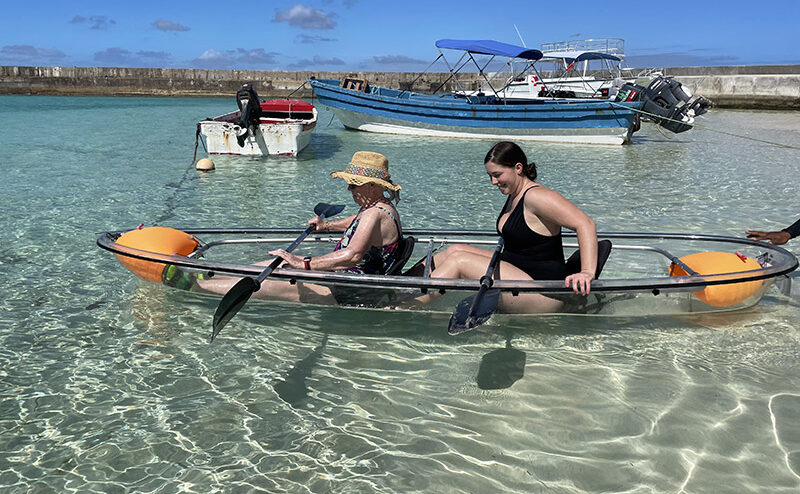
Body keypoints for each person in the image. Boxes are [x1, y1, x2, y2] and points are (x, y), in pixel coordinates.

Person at [407, 141, 597, 313]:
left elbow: (585, 224)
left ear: (518, 168)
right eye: (490, 176)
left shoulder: (536, 196)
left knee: (459, 261)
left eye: (497, 175)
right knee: (455, 250)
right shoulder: (515, 194)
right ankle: (400, 283)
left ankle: (404, 305)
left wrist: (587, 272)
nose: (493, 182)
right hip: (520, 272)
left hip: (544, 292)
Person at [193, 151, 403, 305]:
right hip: (344, 278)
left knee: (271, 281)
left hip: (350, 290)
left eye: (354, 184)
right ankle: (212, 277)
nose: (349, 188)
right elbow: (357, 223)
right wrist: (327, 225)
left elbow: (353, 255)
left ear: (373, 186)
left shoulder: (373, 213)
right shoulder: (381, 207)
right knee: (274, 264)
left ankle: (196, 287)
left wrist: (303, 264)